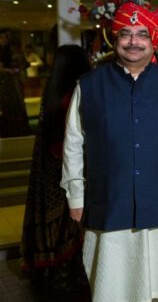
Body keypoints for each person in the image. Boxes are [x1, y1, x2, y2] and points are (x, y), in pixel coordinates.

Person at [60, 1, 158, 302]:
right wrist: (75, 196)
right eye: (126, 33)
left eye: (142, 34)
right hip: (108, 201)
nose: (133, 41)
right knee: (111, 287)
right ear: (115, 39)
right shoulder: (90, 85)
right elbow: (72, 143)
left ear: (154, 41)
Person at [21, 45, 90, 296]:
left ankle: (50, 276)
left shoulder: (51, 92)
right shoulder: (76, 93)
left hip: (49, 168)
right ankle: (69, 280)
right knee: (70, 226)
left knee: (55, 226)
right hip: (68, 169)